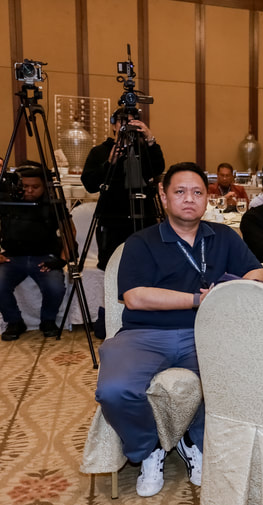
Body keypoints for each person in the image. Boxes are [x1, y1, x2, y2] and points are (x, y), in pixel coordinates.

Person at [94, 162, 263, 497]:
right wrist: (197, 299)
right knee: (114, 390)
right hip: (143, 335)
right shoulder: (141, 242)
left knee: (235, 376)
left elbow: (258, 274)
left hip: (206, 333)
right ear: (163, 197)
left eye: (197, 192)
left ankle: (195, 441)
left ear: (207, 197)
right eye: (180, 191)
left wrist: (235, 289)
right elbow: (134, 297)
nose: (189, 198)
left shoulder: (223, 237)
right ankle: (149, 447)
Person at [81, 107, 165, 270]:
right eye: (123, 121)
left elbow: (157, 170)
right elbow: (89, 184)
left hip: (144, 217)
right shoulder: (100, 151)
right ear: (114, 125)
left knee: (147, 266)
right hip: (113, 220)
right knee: (112, 267)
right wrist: (109, 163)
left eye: (132, 121)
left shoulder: (145, 149)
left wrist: (150, 139)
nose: (127, 125)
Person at [0, 166, 67, 341]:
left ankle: (48, 321)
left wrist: (62, 259)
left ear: (44, 186)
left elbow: (69, 232)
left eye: (35, 187)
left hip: (45, 256)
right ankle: (14, 322)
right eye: (25, 186)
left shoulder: (53, 204)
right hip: (13, 257)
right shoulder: (8, 202)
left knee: (55, 287)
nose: (29, 190)